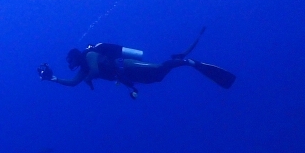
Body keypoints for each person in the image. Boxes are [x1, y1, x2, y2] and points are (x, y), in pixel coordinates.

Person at [37, 28, 235, 99]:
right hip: (126, 76)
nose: (71, 64)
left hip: (127, 65)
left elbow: (96, 71)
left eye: (71, 60)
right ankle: (179, 61)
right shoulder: (84, 69)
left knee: (157, 68)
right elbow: (72, 83)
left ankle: (186, 62)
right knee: (157, 78)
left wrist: (88, 78)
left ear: (76, 56)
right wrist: (53, 79)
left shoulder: (89, 57)